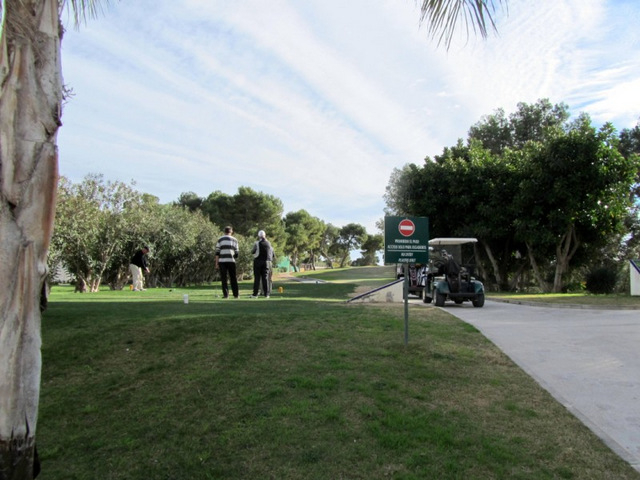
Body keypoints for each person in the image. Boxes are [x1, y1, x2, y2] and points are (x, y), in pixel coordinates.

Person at [215, 226, 239, 298]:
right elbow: (237, 253)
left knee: (224, 278)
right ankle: (236, 295)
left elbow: (217, 253)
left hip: (222, 261)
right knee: (233, 278)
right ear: (231, 232)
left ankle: (226, 295)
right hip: (231, 261)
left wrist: (216, 263)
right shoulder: (235, 240)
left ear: (224, 231)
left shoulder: (220, 239)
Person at [250, 230, 275, 298]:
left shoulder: (257, 243)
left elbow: (253, 251)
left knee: (257, 278)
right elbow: (271, 254)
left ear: (259, 236)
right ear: (265, 235)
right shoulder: (269, 243)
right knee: (265, 278)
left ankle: (255, 294)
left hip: (258, 262)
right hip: (266, 262)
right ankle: (266, 294)